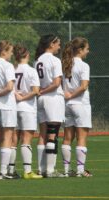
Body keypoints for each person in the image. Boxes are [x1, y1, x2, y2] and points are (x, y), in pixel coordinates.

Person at [61, 37, 92, 177]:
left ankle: (67, 170)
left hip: (67, 106)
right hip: (80, 104)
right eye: (86, 49)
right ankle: (80, 170)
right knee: (81, 137)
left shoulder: (66, 64)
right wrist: (71, 96)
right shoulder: (84, 66)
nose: (88, 51)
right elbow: (84, 86)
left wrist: (67, 96)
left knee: (67, 138)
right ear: (80, 50)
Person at [35, 34, 65, 178]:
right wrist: (44, 91)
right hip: (52, 98)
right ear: (51, 44)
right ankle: (50, 170)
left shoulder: (38, 60)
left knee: (42, 134)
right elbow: (56, 84)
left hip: (41, 100)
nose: (59, 46)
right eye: (58, 44)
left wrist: (40, 92)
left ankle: (41, 169)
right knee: (52, 134)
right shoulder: (55, 60)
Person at [13, 44, 42, 179]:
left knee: (13, 139)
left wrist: (16, 96)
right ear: (27, 55)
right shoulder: (31, 70)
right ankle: (27, 171)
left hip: (14, 106)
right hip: (27, 108)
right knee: (26, 139)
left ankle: (10, 170)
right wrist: (23, 97)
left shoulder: (11, 69)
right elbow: (35, 91)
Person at [0, 40, 17, 179]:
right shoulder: (7, 65)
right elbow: (9, 87)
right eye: (10, 51)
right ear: (4, 52)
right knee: (7, 136)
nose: (12, 54)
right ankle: (3, 171)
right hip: (6, 104)